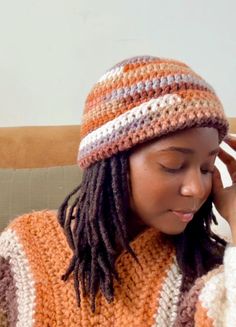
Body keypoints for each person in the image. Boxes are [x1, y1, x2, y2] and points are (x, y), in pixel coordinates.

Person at [0, 55, 235, 327]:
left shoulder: (205, 268)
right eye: (173, 164)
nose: (196, 188)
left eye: (206, 168)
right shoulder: (25, 246)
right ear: (111, 164)